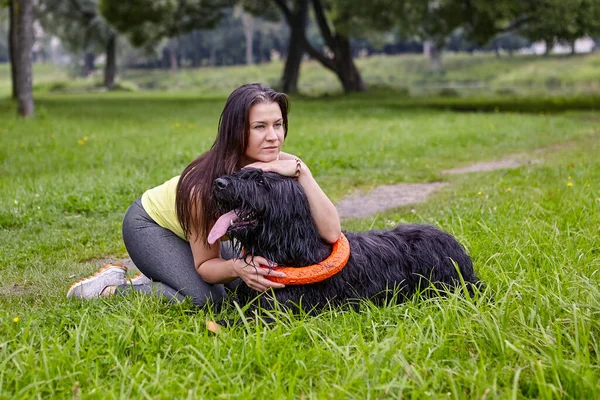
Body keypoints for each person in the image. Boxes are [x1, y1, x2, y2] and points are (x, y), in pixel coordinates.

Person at [67, 83, 341, 307]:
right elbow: (207, 265)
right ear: (237, 130)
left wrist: (303, 171)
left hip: (201, 239)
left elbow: (331, 233)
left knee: (247, 287)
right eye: (260, 127)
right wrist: (238, 267)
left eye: (278, 124)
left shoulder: (283, 165)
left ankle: (164, 272)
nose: (273, 137)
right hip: (150, 225)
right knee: (208, 299)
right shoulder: (204, 187)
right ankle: (109, 290)